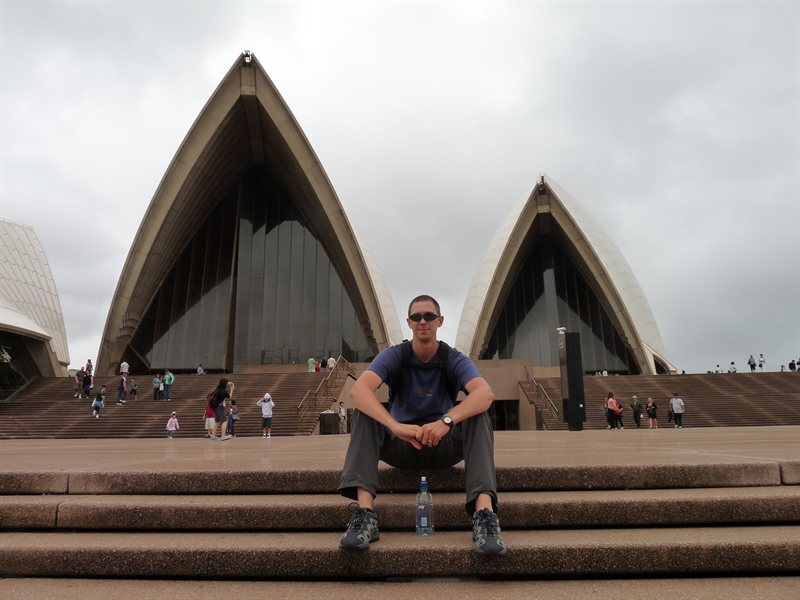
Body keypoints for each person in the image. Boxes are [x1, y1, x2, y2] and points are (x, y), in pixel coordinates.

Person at [337, 295, 506, 556]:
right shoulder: (395, 355)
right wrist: (395, 425)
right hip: (402, 446)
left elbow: (485, 394)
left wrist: (445, 421)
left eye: (429, 316)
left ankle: (485, 515)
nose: (423, 321)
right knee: (364, 412)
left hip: (442, 446)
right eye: (416, 317)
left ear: (440, 321)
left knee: (478, 412)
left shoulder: (452, 358)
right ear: (409, 322)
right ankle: (365, 515)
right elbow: (359, 391)